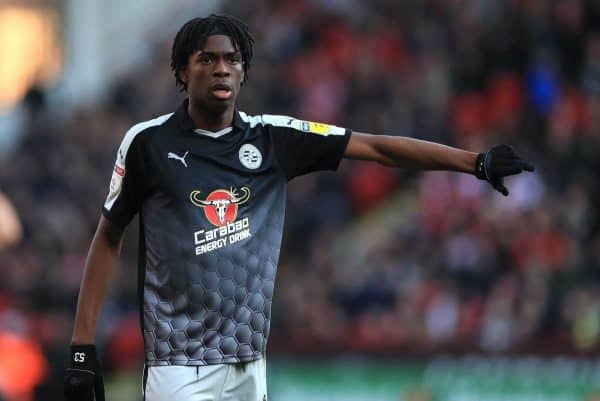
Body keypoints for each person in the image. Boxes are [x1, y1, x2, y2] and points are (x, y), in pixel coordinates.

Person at [63, 14, 534, 401]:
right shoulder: (147, 143)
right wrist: (82, 348)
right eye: (207, 59)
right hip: (178, 367)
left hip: (250, 366)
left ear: (245, 71)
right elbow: (108, 236)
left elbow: (374, 148)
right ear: (182, 72)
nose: (221, 68)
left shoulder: (272, 138)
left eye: (232, 59)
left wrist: (475, 162)